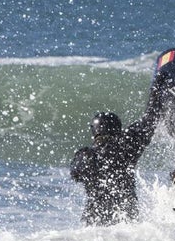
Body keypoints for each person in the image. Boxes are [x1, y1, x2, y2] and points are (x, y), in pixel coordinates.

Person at [70, 85, 163, 225]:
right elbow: (150, 119)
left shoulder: (86, 155)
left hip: (95, 221)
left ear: (94, 132)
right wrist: (158, 90)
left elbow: (75, 174)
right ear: (118, 130)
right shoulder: (128, 147)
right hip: (127, 219)